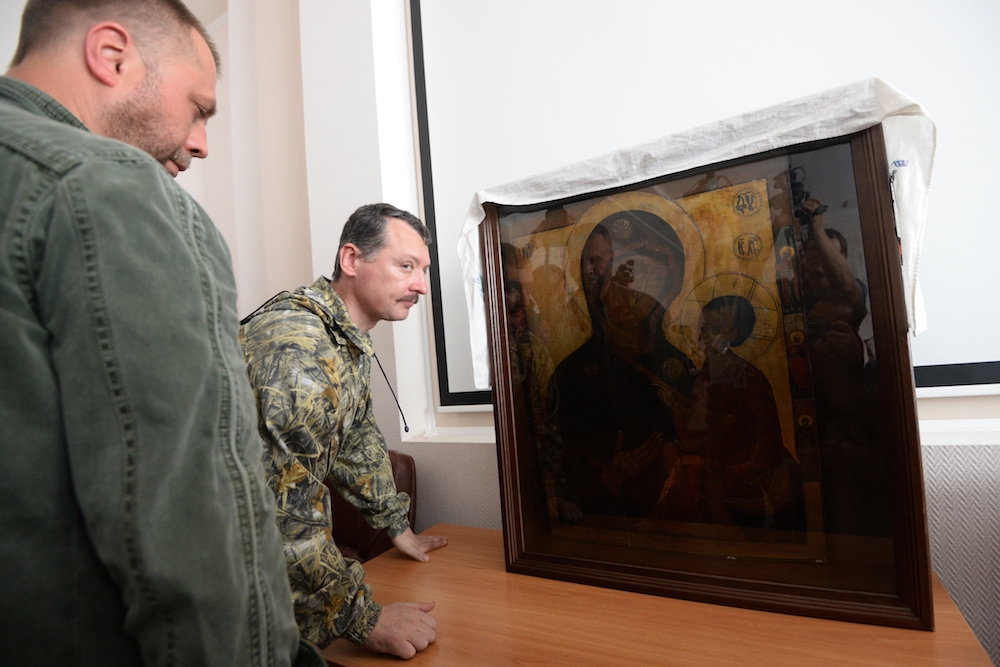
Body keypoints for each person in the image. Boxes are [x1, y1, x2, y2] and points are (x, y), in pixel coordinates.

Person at [0, 1, 322, 665]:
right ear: (113, 55)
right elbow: (195, 529)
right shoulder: (107, 186)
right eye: (199, 107)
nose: (202, 140)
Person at [239, 203, 448, 659]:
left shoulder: (337, 335)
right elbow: (282, 511)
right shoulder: (300, 348)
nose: (421, 286)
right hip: (223, 580)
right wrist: (362, 619)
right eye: (406, 266)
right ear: (351, 260)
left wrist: (395, 522)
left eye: (424, 270)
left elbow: (355, 437)